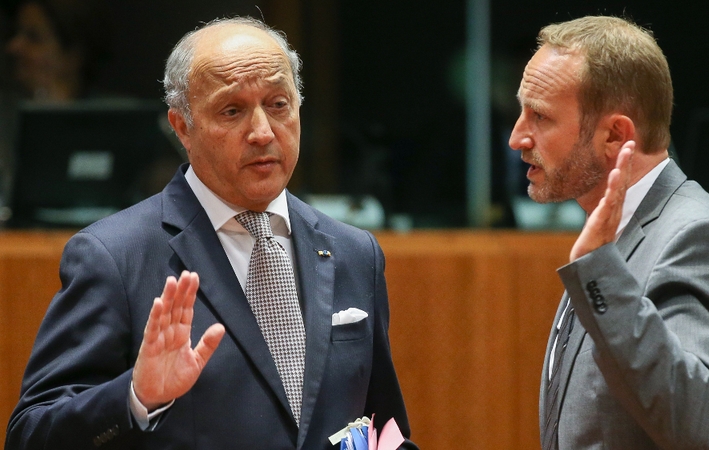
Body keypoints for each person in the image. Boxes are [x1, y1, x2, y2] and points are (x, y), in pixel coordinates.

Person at [6, 16, 417, 450]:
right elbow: (31, 435)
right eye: (232, 110)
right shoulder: (113, 256)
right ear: (181, 126)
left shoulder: (355, 252)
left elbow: (383, 428)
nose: (262, 132)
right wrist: (135, 398)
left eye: (278, 104)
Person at [508, 16, 709, 449]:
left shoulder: (699, 236)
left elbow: (692, 420)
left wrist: (597, 272)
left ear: (615, 135)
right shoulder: (619, 237)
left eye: (540, 116)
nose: (517, 136)